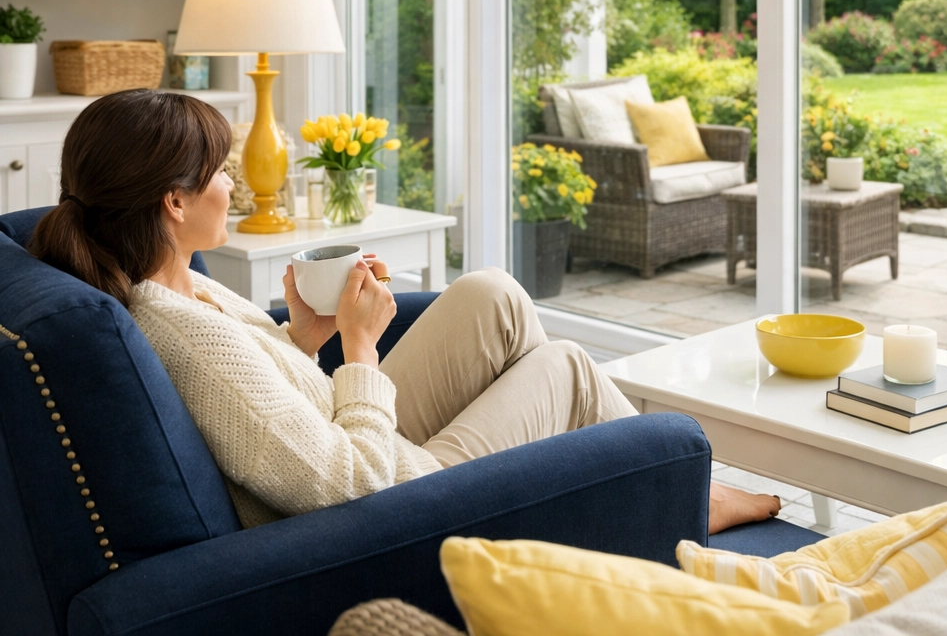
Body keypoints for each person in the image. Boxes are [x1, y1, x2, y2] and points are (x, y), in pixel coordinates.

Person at [31, 89, 780, 532]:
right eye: (221, 171)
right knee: (567, 368)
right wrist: (358, 349)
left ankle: (610, 486)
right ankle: (679, 501)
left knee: (492, 294)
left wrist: (307, 335)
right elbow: (345, 483)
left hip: (349, 431)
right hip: (392, 491)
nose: (234, 182)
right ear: (174, 202)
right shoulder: (181, 332)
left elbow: (260, 414)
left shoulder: (177, 283)